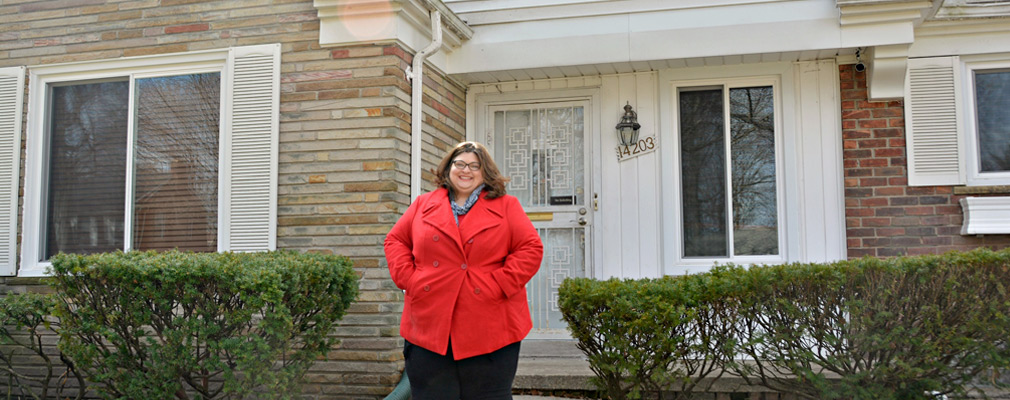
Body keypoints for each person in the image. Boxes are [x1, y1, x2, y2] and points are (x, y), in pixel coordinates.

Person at [384, 141, 544, 399]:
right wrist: (410, 279)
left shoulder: (506, 205)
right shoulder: (423, 204)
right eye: (459, 164)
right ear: (448, 168)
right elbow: (395, 241)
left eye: (474, 166)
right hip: (429, 321)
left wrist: (499, 284)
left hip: (490, 322)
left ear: (485, 172)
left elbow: (530, 248)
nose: (465, 170)